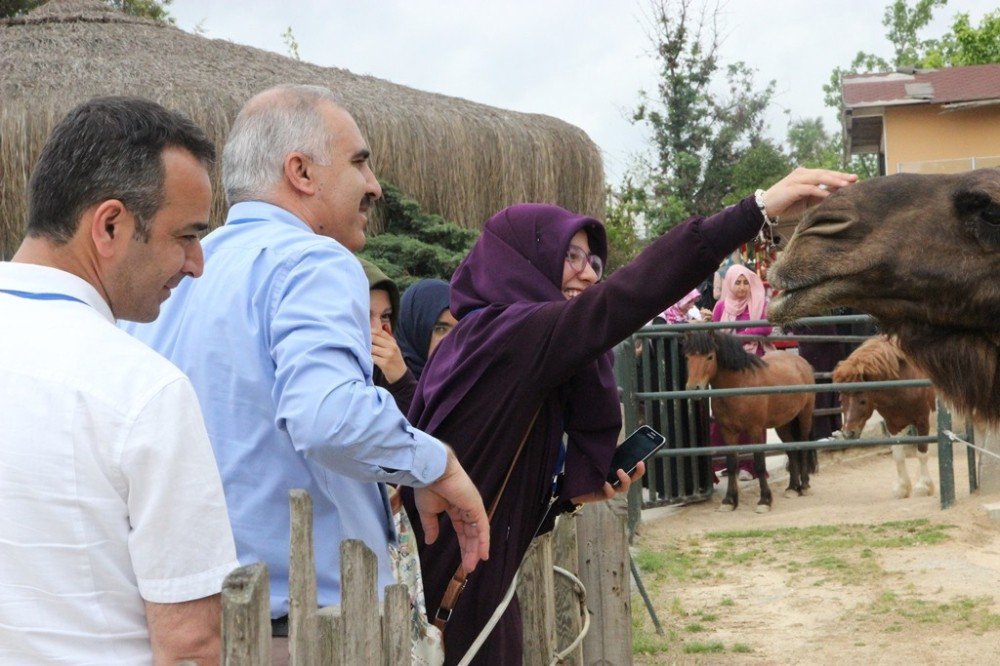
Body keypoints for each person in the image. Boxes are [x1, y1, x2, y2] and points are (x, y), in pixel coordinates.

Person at [402, 168, 857, 664]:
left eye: (594, 260)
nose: (590, 273)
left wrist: (569, 495)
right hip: (458, 595)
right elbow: (628, 296)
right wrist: (756, 209)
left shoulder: (487, 340)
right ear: (521, 260)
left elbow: (492, 482)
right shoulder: (510, 335)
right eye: (568, 256)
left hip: (471, 582)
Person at [123, 84, 490, 664]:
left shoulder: (176, 277)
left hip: (187, 629)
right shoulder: (313, 260)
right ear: (300, 172)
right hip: (304, 635)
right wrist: (436, 464)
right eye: (359, 162)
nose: (373, 186)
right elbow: (328, 418)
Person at [0, 97, 239, 664]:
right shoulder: (143, 390)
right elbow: (193, 646)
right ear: (110, 224)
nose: (198, 263)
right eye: (186, 236)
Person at [361, 257, 417, 411]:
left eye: (385, 316)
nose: (378, 329)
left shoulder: (388, 370)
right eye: (365, 315)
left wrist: (401, 380)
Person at [395, 278, 456, 379]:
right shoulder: (377, 388)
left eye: (460, 329)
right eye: (440, 329)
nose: (454, 339)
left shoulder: (470, 382)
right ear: (414, 332)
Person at [713, 264, 774, 357]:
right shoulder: (721, 306)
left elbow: (766, 328)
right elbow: (715, 333)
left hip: (755, 355)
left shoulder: (759, 303)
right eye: (737, 283)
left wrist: (739, 337)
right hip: (727, 354)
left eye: (746, 282)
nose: (742, 287)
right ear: (730, 283)